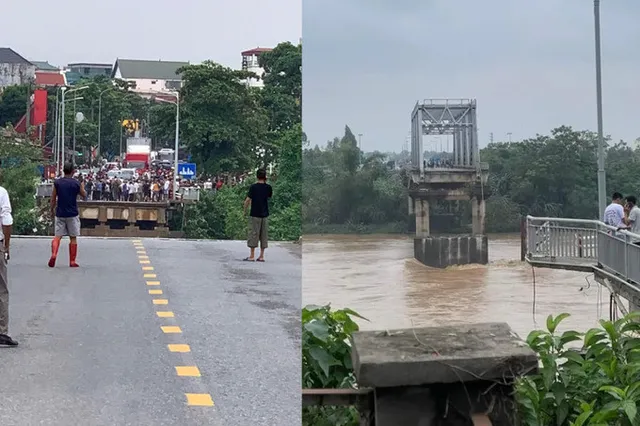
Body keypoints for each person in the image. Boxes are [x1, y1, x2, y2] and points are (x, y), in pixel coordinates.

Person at [48, 162, 86, 268]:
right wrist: (82, 186)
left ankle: (54, 254)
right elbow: (84, 195)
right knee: (73, 237)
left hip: (60, 213)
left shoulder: (58, 183)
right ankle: (72, 261)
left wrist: (51, 210)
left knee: (57, 236)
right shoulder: (76, 183)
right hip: (72, 213)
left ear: (63, 170)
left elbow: (53, 198)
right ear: (73, 171)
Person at [243, 168, 273, 262]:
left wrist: (245, 210)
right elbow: (268, 196)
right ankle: (261, 256)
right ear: (265, 177)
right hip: (265, 214)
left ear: (257, 176)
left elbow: (248, 200)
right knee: (263, 235)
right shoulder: (268, 187)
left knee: (254, 234)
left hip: (255, 213)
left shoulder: (253, 187)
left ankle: (252, 255)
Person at [0, 183, 17, 346]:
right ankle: (2, 331)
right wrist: (6, 246)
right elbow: (6, 220)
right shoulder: (1, 192)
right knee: (2, 289)